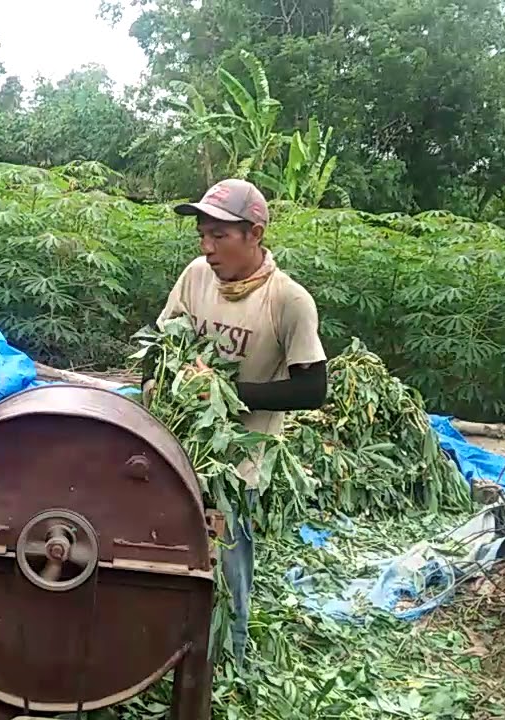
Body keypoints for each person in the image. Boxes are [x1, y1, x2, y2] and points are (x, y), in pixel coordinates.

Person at [144, 178, 329, 665]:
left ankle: (230, 658)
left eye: (219, 236)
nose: (207, 248)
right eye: (202, 235)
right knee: (158, 542)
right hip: (179, 441)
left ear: (255, 234)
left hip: (239, 460)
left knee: (226, 559)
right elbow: (164, 342)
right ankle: (158, 644)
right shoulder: (196, 277)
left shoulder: (287, 301)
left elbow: (313, 388)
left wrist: (225, 394)